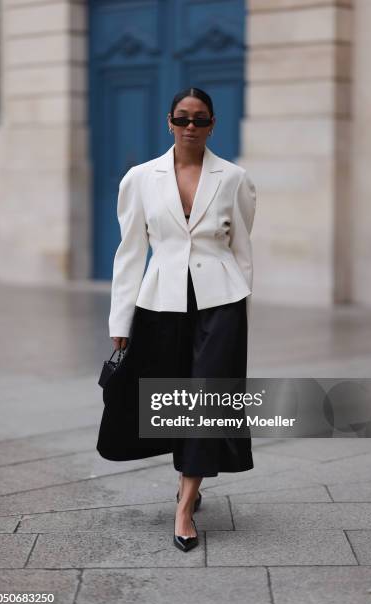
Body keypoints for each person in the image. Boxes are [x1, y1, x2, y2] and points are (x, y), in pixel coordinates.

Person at [108, 87, 257, 552]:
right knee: (172, 396)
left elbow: (242, 248)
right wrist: (120, 321)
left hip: (221, 300)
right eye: (182, 118)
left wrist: (243, 304)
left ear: (213, 125)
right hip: (160, 301)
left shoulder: (234, 178)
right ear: (168, 122)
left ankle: (185, 504)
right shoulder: (140, 178)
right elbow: (130, 253)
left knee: (208, 395)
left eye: (200, 119)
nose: (190, 126)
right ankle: (187, 475)